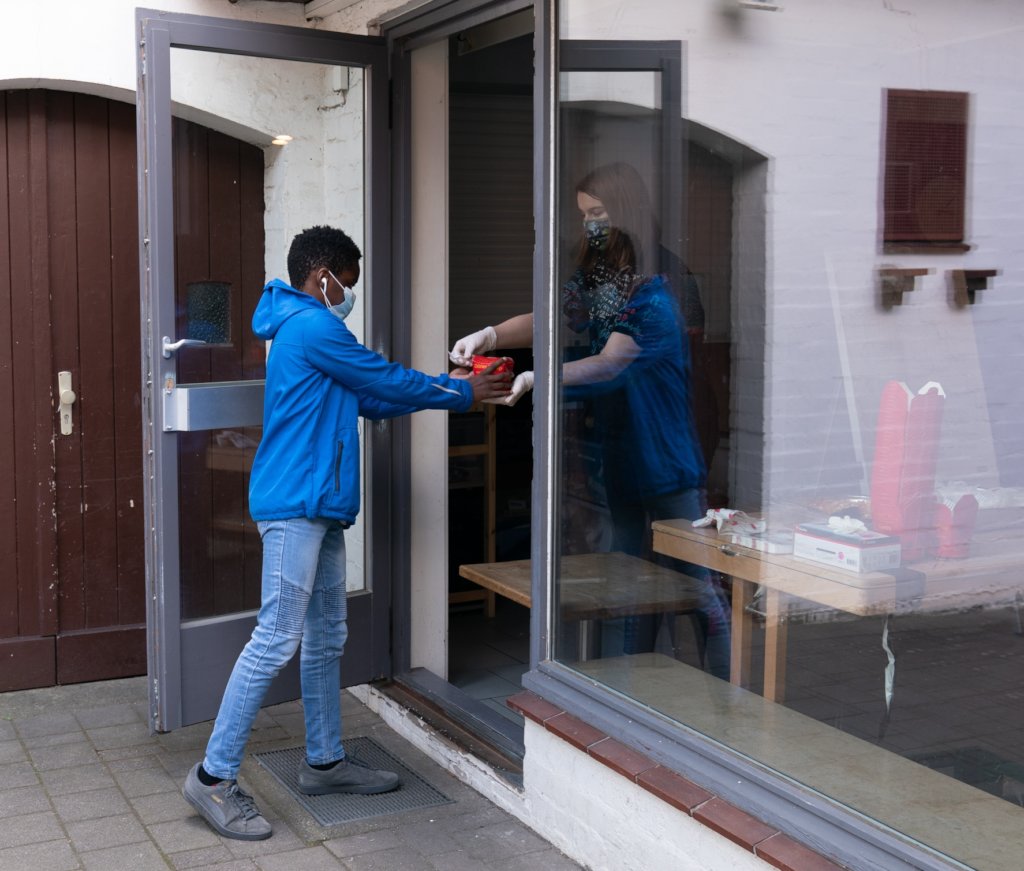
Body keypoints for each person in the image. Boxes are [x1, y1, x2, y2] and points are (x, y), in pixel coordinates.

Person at [183, 225, 511, 841]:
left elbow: (373, 398)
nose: (349, 295)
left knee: (327, 635)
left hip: (320, 504)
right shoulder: (312, 327)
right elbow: (382, 378)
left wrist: (452, 389)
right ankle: (212, 778)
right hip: (295, 505)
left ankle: (325, 763)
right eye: (348, 283)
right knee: (275, 638)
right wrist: (461, 391)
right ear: (323, 277)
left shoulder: (303, 328)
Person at [449, 162, 729, 672]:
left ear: (624, 210)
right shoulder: (601, 273)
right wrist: (490, 335)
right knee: (627, 582)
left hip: (666, 455)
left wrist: (536, 378)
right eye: (583, 214)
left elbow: (611, 361)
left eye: (597, 213)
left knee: (698, 588)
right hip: (622, 451)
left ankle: (724, 692)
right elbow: (551, 314)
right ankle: (630, 683)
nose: (589, 225)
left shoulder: (659, 282)